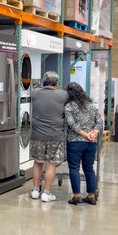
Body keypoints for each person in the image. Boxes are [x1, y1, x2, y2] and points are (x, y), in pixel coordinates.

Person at [30, 71, 69, 202]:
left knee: (37, 162)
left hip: (37, 134)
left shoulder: (35, 93)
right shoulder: (63, 94)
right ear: (57, 83)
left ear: (44, 82)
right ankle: (46, 194)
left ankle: (35, 191)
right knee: (51, 165)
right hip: (55, 134)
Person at [64, 82, 102, 205]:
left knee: (74, 168)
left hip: (75, 142)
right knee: (89, 168)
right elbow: (100, 121)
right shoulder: (91, 105)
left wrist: (84, 134)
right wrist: (93, 133)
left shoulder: (69, 106)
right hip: (91, 142)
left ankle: (77, 196)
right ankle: (91, 196)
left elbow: (71, 123)